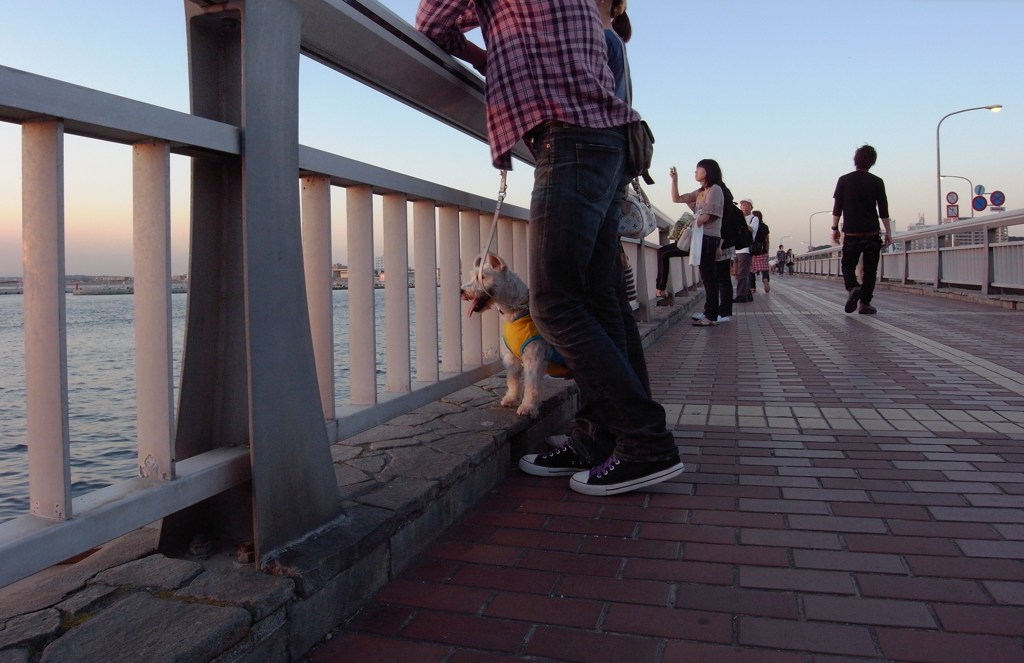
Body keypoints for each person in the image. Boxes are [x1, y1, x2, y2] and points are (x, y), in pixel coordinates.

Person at [417, 0, 682, 496]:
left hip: (570, 139)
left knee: (555, 304)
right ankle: (601, 439)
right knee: (604, 305)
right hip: (605, 142)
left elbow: (432, 22)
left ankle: (645, 442)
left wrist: (481, 55)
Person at [832, 144, 892, 314]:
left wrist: (835, 228)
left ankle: (852, 288)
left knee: (847, 265)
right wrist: (888, 232)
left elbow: (837, 207)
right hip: (872, 233)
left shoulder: (844, 180)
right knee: (870, 270)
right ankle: (865, 304)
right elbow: (884, 211)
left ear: (855, 160)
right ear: (872, 162)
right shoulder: (877, 182)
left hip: (852, 233)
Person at [670, 159, 727, 327]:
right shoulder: (702, 191)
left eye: (698, 169)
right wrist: (675, 180)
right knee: (708, 277)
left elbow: (706, 217)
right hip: (703, 237)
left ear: (707, 171)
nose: (695, 172)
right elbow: (677, 198)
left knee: (709, 277)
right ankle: (710, 312)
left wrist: (691, 221)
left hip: (708, 237)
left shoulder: (715, 190)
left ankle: (711, 316)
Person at [732, 198, 754, 303]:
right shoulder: (737, 217)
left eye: (747, 205)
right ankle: (748, 293)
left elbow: (751, 229)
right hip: (736, 249)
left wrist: (739, 224)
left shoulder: (754, 218)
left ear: (751, 207)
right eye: (742, 205)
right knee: (738, 273)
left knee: (742, 273)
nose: (744, 207)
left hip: (745, 249)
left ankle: (741, 295)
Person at [748, 210, 771, 294]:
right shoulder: (765, 226)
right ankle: (765, 279)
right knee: (764, 269)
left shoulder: (750, 226)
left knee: (751, 270)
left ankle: (753, 288)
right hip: (762, 250)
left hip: (752, 250)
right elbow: (767, 240)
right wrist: (767, 251)